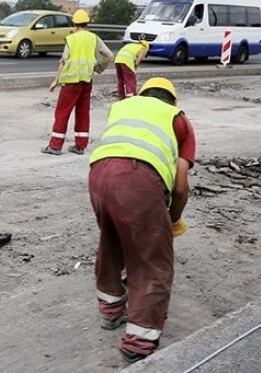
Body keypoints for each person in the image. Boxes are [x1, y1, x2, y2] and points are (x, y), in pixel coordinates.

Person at [87, 77, 196, 363]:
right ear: (173, 100)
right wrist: (172, 221)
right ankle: (138, 341)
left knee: (111, 242)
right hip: (138, 179)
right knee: (152, 260)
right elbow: (181, 185)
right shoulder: (178, 119)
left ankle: (110, 311)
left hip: (98, 174)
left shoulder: (122, 106)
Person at [42, 9, 114, 156]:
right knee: (83, 112)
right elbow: (109, 55)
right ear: (87, 23)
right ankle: (80, 146)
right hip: (87, 80)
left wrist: (56, 80)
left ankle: (55, 146)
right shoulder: (94, 38)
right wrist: (98, 68)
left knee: (62, 112)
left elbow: (63, 61)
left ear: (74, 23)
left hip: (70, 81)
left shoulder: (72, 39)